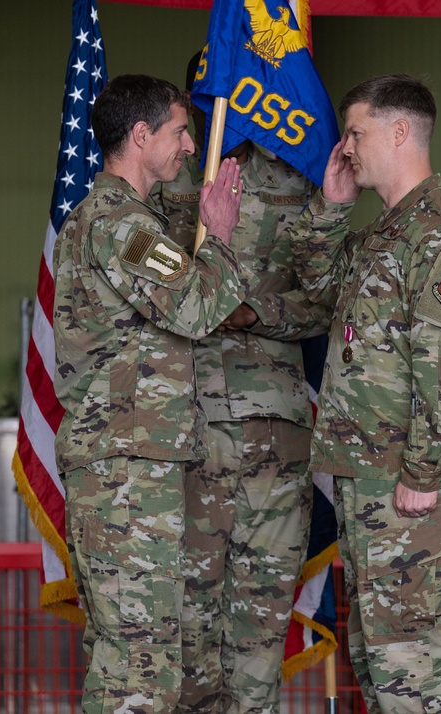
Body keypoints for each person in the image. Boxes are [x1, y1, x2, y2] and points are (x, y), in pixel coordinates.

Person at [284, 74, 441, 714]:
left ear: (400, 132)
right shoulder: (383, 235)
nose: (346, 147)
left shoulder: (440, 237)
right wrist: (332, 205)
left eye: (356, 132)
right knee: (380, 667)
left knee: (416, 670)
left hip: (410, 488)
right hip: (367, 480)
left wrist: (423, 471)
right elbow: (316, 287)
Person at [52, 73, 249, 714]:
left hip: (131, 464)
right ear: (141, 137)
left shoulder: (129, 221)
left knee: (138, 652)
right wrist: (218, 234)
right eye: (179, 131)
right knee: (139, 660)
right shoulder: (120, 226)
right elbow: (195, 309)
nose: (191, 146)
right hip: (125, 470)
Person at [158, 56, 331, 714]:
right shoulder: (165, 183)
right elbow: (149, 295)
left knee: (258, 649)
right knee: (187, 642)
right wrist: (208, 288)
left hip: (273, 447)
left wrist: (252, 311)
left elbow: (322, 302)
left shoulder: (297, 179)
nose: (221, 108)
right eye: (210, 97)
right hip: (188, 441)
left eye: (236, 93)